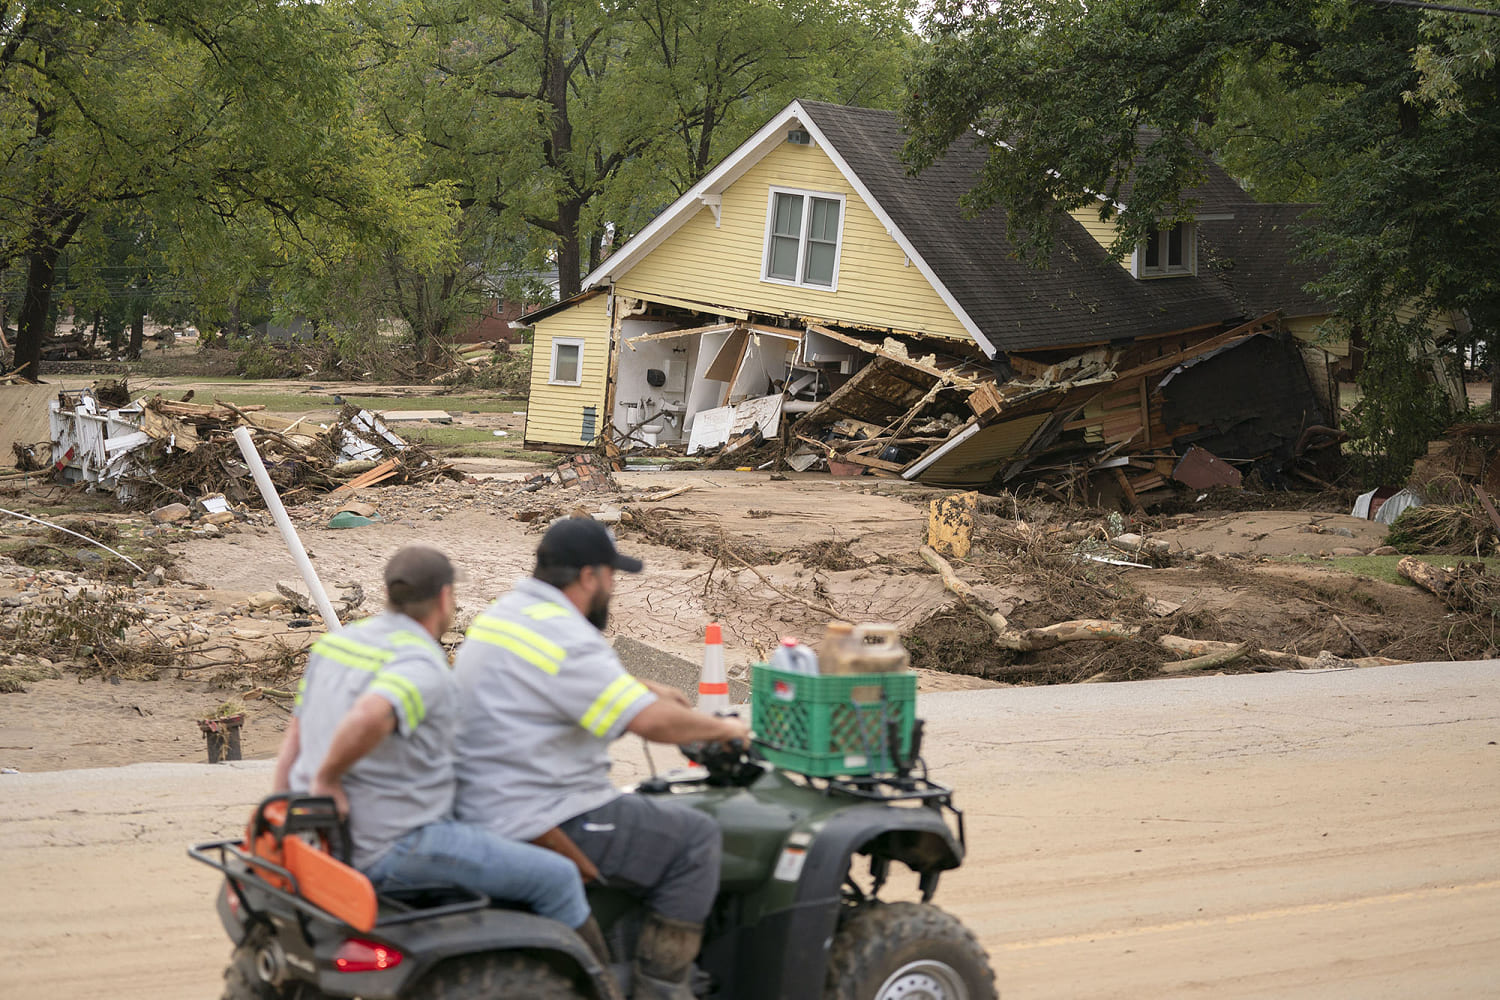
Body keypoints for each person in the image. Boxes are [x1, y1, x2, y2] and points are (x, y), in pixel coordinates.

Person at [452, 518, 750, 1000]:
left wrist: (642, 687)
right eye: (612, 577)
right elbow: (652, 724)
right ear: (590, 576)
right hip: (541, 810)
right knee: (694, 838)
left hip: (482, 799)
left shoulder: (508, 614)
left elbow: (560, 681)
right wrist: (727, 728)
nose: (613, 589)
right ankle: (662, 988)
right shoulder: (568, 637)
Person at [271, 545, 607, 960]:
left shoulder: (337, 645)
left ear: (389, 594)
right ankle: (604, 984)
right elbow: (370, 716)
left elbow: (296, 734)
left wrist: (284, 803)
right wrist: (328, 778)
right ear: (446, 597)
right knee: (558, 878)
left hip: (325, 843)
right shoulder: (422, 666)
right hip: (397, 845)